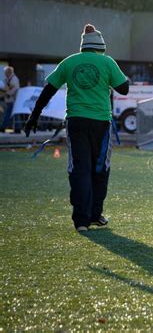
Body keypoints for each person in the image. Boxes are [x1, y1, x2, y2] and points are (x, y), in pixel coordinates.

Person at [24, 24, 129, 232]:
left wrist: (33, 116)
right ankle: (95, 215)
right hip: (101, 122)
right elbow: (124, 89)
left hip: (76, 122)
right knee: (100, 169)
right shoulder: (107, 62)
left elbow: (48, 90)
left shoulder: (69, 62)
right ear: (101, 46)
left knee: (79, 169)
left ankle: (81, 221)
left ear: (83, 46)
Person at [0, 66, 20, 133]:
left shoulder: (14, 79)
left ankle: (3, 127)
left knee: (8, 114)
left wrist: (6, 93)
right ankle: (17, 128)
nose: (5, 74)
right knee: (14, 115)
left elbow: (15, 89)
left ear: (9, 72)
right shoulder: (7, 79)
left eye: (6, 72)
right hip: (9, 100)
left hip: (14, 100)